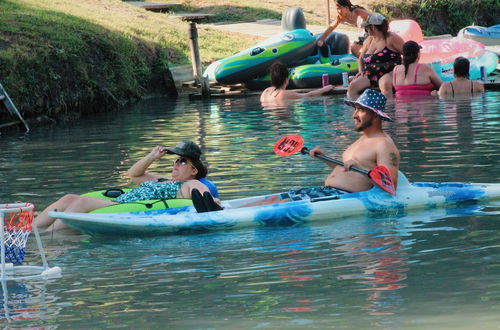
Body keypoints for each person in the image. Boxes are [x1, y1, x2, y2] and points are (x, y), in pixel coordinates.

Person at [245, 89, 400, 206]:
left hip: (342, 197)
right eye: (355, 109)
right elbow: (346, 170)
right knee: (274, 199)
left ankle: (221, 218)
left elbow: (390, 185)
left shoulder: (384, 144)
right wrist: (324, 158)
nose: (354, 115)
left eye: (361, 110)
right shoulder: (361, 140)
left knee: (279, 203)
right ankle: (221, 211)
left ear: (375, 115)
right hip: (326, 191)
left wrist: (361, 168)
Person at [35, 141, 218, 231]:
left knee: (80, 202)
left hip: (126, 208)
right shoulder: (161, 180)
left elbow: (203, 194)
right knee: (68, 198)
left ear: (194, 170)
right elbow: (133, 174)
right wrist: (152, 156)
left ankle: (45, 238)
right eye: (176, 160)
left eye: (183, 162)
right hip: (121, 200)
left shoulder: (189, 183)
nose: (176, 164)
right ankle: (30, 230)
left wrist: (214, 203)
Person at [347, 13, 404, 99]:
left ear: (373, 27)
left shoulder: (392, 38)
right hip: (370, 74)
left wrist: (403, 70)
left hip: (390, 73)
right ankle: (362, 109)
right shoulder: (369, 40)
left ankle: (389, 110)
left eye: (367, 27)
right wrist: (361, 71)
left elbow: (409, 53)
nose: (366, 29)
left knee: (385, 85)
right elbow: (361, 58)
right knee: (352, 88)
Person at [260, 62, 335, 106]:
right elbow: (309, 95)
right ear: (286, 80)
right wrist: (325, 89)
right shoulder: (285, 94)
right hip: (283, 123)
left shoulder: (265, 92)